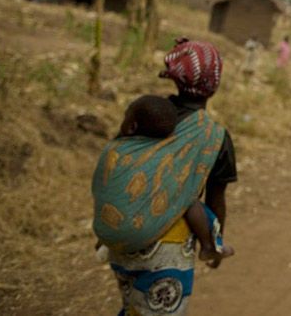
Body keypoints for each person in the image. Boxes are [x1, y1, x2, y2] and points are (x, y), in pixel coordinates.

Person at [92, 38, 237, 316]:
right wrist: (214, 244)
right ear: (215, 83)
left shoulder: (147, 113)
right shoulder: (214, 137)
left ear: (176, 77)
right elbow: (216, 199)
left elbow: (120, 167)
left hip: (122, 242)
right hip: (167, 250)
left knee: (132, 306)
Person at [96, 94, 233, 267]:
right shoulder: (167, 157)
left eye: (125, 116)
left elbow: (102, 188)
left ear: (132, 127)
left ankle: (105, 239)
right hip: (153, 234)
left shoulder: (116, 150)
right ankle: (207, 245)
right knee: (189, 198)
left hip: (113, 231)